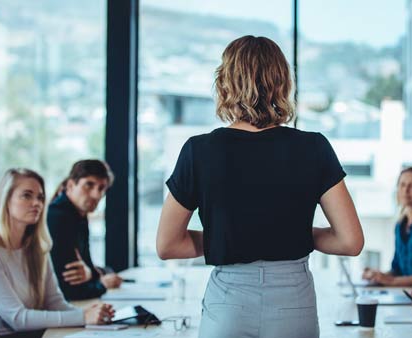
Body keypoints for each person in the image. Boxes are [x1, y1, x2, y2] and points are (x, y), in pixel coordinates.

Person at [156, 35, 364, 338]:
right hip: (293, 300)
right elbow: (350, 242)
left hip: (228, 301)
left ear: (225, 83)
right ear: (282, 83)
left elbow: (167, 245)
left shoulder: (199, 150)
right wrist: (285, 232)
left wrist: (228, 236)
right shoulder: (314, 147)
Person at [0, 169, 113, 337]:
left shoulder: (37, 249)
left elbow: (55, 303)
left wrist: (91, 313)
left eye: (40, 197)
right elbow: (17, 318)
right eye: (27, 195)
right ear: (6, 200)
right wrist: (82, 316)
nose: (36, 203)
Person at [48, 160, 123, 301]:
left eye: (101, 188)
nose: (96, 195)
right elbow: (70, 289)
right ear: (70, 185)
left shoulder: (79, 215)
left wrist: (92, 274)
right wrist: (102, 284)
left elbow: (87, 267)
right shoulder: (58, 217)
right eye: (89, 185)